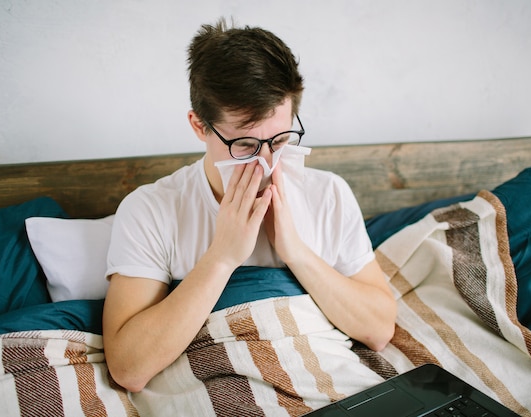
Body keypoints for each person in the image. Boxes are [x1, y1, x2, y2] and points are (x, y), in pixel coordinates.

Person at [102, 18, 397, 394]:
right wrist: (222, 257)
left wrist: (297, 253)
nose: (267, 163)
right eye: (244, 145)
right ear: (199, 126)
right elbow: (129, 368)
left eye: (281, 139)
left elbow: (379, 330)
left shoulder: (328, 194)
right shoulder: (152, 209)